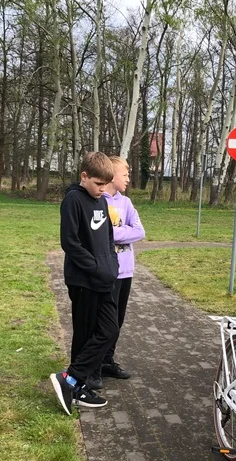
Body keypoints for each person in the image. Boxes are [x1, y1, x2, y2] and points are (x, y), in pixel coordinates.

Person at [50, 152, 120, 414]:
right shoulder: (73, 200)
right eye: (98, 184)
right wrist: (95, 267)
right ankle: (76, 385)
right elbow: (69, 242)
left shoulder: (102, 201)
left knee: (109, 330)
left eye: (105, 185)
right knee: (84, 333)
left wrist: (111, 264)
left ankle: (70, 378)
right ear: (84, 176)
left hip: (105, 278)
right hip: (83, 280)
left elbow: (109, 238)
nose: (102, 190)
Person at [85, 155, 145, 390]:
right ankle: (95, 366)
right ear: (111, 175)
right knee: (103, 324)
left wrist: (115, 232)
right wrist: (118, 231)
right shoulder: (99, 201)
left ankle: (108, 360)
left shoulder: (127, 203)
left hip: (126, 271)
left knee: (117, 321)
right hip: (107, 273)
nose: (128, 178)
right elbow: (98, 235)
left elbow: (139, 231)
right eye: (125, 174)